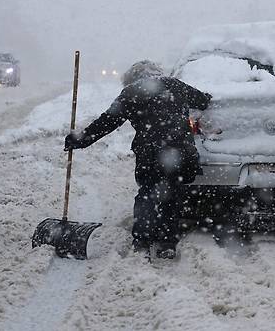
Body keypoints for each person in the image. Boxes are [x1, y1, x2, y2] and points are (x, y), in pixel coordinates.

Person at [64, 60, 211, 259]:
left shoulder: (132, 93)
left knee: (148, 195)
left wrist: (80, 140)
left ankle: (142, 241)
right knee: (172, 196)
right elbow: (203, 101)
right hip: (180, 153)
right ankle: (167, 244)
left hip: (150, 154)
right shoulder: (176, 85)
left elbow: (107, 122)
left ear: (132, 79)